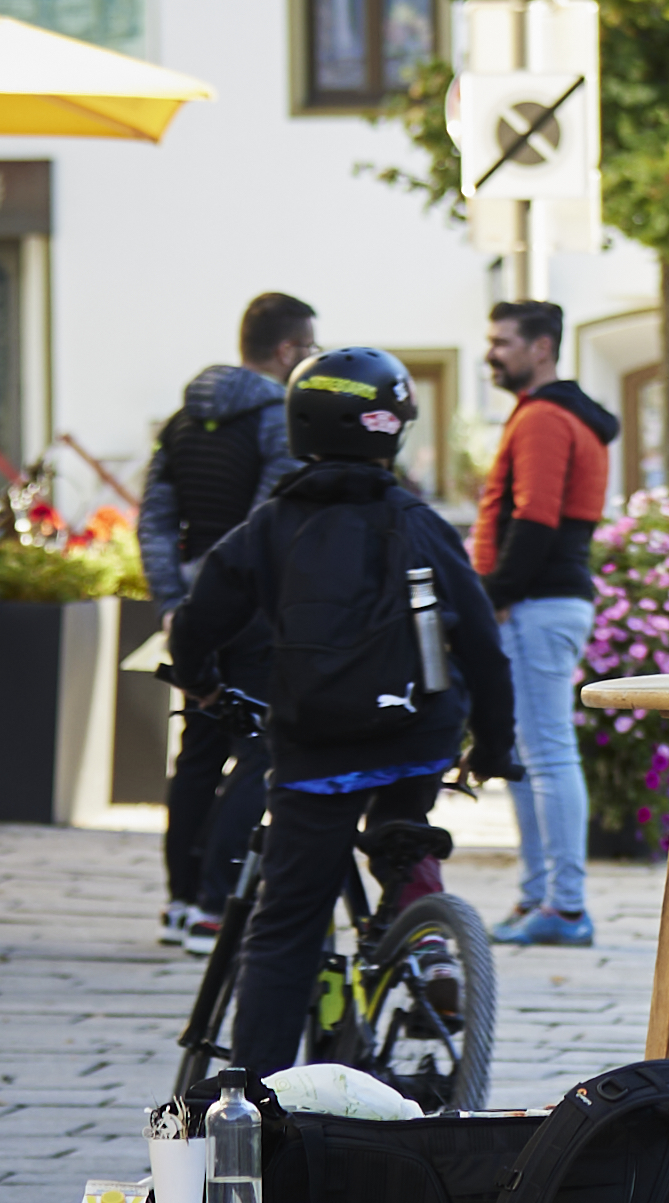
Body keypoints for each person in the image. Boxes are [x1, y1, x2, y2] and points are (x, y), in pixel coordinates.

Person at [169, 344, 512, 1076]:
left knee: (286, 930)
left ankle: (254, 1105)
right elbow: (481, 638)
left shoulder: (271, 525)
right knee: (400, 822)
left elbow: (198, 622)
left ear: (301, 427)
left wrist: (198, 684)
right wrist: (494, 744)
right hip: (418, 732)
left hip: (317, 750)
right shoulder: (419, 522)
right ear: (393, 429)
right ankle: (421, 928)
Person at [138, 285, 314, 942]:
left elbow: (155, 519)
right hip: (256, 612)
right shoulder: (279, 418)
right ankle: (216, 901)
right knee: (259, 751)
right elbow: (270, 520)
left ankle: (181, 901)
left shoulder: (182, 423)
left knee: (198, 754)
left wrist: (174, 602)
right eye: (311, 346)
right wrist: (237, 592)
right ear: (288, 348)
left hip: (192, 614)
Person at [475, 296, 614, 952]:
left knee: (547, 755)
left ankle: (562, 906)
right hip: (545, 601)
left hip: (535, 604)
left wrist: (495, 594)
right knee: (534, 757)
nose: (491, 352)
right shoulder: (562, 416)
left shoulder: (542, 418)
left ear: (540, 348)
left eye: (502, 341)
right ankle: (542, 898)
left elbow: (534, 519)